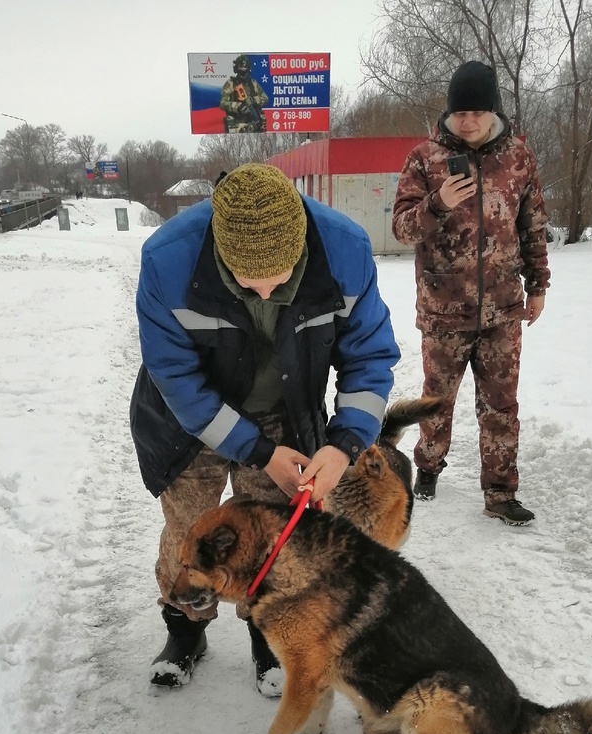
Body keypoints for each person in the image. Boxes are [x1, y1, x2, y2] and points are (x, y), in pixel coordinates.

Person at [130, 163, 401, 692]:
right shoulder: (167, 260)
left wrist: (344, 444)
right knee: (193, 527)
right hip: (191, 421)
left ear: (300, 245)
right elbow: (176, 378)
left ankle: (263, 629)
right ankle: (185, 627)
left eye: (278, 281)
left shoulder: (343, 250)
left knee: (271, 533)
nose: (262, 292)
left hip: (282, 409)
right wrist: (257, 450)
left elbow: (368, 355)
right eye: (244, 282)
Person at [392, 60, 550, 525]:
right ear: (449, 112)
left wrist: (538, 285)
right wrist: (438, 203)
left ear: (494, 110)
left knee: (501, 405)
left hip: (502, 309)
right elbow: (401, 228)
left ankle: (500, 493)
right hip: (444, 310)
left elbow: (534, 227)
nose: (469, 121)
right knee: (437, 400)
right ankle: (428, 464)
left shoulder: (519, 158)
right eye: (461, 111)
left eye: (478, 111)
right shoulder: (424, 158)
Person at [219, 55, 269, 134]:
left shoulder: (253, 83)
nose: (243, 73)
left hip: (254, 124)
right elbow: (222, 103)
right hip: (236, 125)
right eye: (241, 71)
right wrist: (238, 106)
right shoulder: (230, 84)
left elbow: (265, 98)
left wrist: (256, 100)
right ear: (236, 70)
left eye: (245, 71)